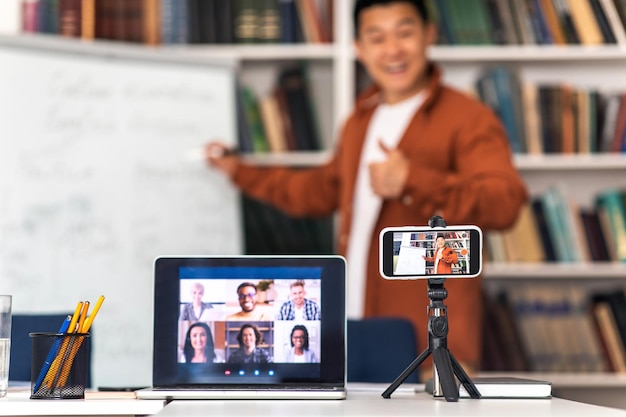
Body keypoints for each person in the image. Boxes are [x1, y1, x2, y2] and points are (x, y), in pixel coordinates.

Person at [206, 0, 527, 374]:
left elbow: (504, 204)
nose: (392, 50)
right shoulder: (360, 120)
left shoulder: (468, 118)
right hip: (352, 329)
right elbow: (315, 191)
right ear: (359, 49)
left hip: (429, 342)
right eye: (377, 38)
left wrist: (412, 181)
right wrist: (238, 171)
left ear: (429, 35)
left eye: (404, 33)